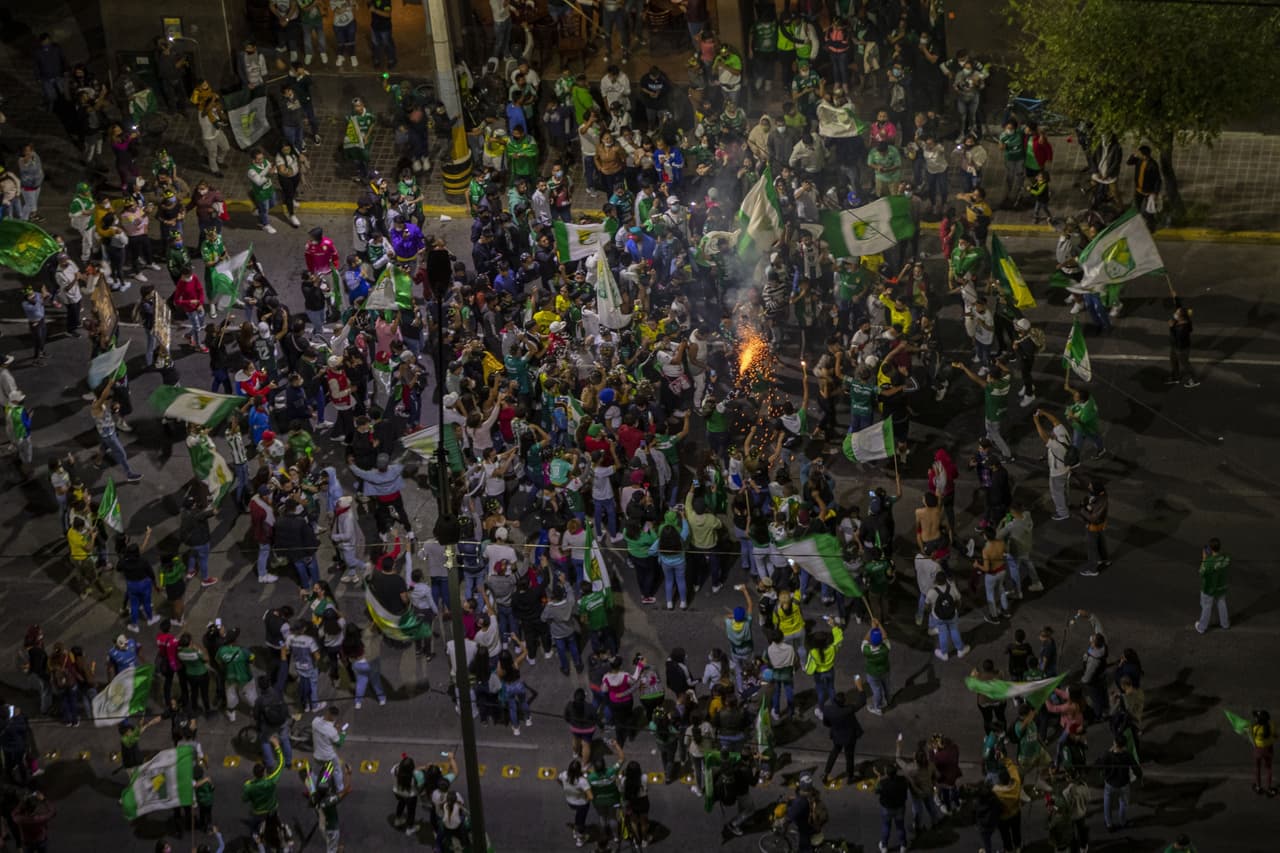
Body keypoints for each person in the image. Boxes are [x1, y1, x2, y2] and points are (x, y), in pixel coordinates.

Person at [820, 689, 863, 785]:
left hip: (837, 736)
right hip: (849, 737)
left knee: (834, 753)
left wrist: (835, 726)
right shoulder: (848, 710)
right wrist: (860, 690)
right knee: (849, 757)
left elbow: (826, 723)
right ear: (843, 701)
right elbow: (862, 702)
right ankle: (850, 777)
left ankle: (826, 774)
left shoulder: (827, 709)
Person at [1194, 537, 1230, 634]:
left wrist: (1204, 558)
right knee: (1221, 603)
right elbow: (1224, 561)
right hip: (1221, 586)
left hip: (1209, 588)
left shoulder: (1208, 562)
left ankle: (1201, 627)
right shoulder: (1225, 557)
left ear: (1210, 549)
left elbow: (1201, 573)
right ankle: (1225, 624)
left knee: (1206, 606)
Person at [1250, 709, 1275, 796]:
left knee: (1257, 768)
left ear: (1259, 720)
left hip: (1258, 750)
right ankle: (1269, 788)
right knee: (1268, 769)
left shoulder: (1255, 728)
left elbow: (1252, 738)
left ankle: (1258, 787)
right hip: (1268, 749)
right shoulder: (1271, 726)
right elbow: (1275, 736)